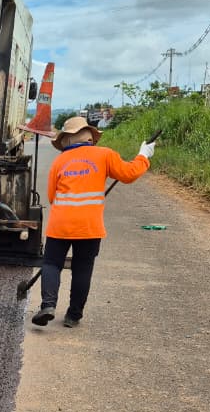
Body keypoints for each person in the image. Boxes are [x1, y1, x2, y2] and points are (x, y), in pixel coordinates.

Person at [32, 116, 155, 328]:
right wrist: (143, 155)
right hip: (89, 226)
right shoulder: (104, 155)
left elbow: (52, 196)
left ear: (67, 140)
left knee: (52, 263)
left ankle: (48, 305)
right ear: (90, 137)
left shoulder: (60, 161)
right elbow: (129, 174)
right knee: (82, 268)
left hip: (60, 224)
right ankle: (73, 316)